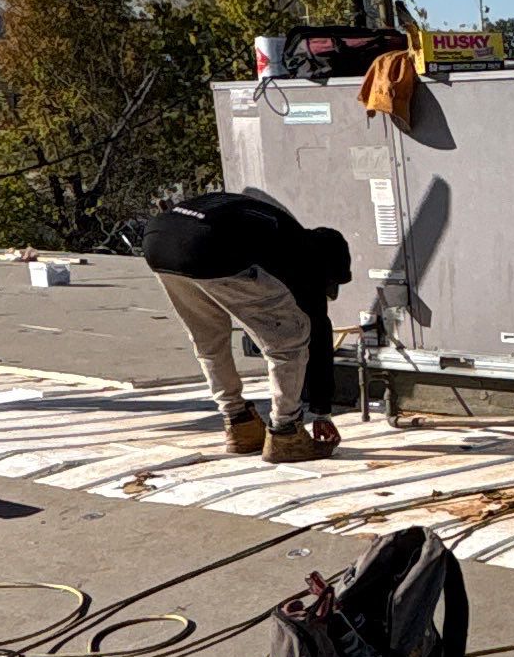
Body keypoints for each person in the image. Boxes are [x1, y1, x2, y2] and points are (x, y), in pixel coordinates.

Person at [139, 187, 355, 461]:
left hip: (159, 241)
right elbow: (318, 330)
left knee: (209, 338)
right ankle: (286, 432)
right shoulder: (304, 254)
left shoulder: (275, 227)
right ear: (326, 265)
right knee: (289, 341)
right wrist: (322, 411)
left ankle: (238, 423)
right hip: (206, 246)